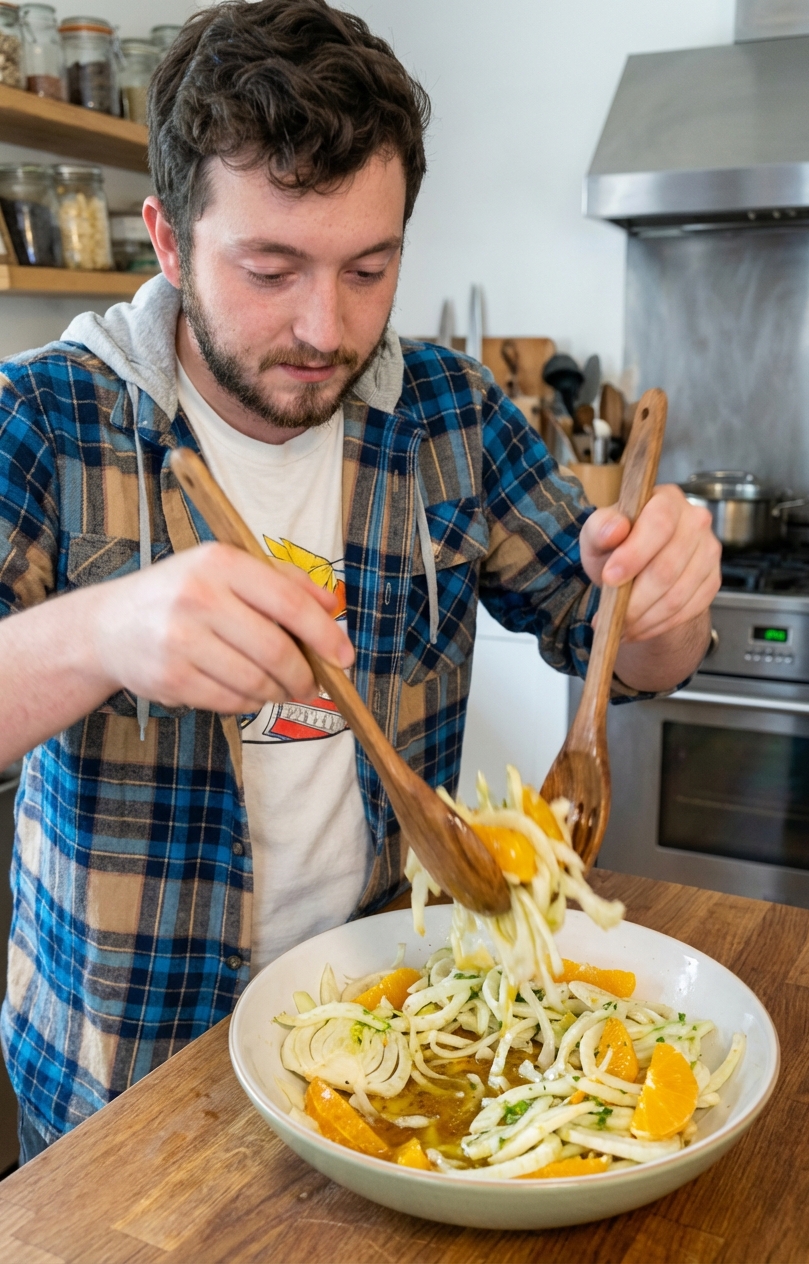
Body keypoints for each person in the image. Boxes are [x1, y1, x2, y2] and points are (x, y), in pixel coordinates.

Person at [0, 0, 720, 1163]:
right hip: (115, 1087)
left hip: (382, 1047)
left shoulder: (449, 415)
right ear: (169, 241)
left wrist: (664, 604)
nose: (324, 327)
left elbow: (629, 658)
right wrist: (100, 633)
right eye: (270, 267)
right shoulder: (42, 417)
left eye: (368, 267)